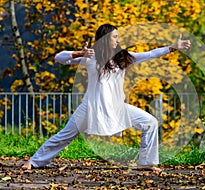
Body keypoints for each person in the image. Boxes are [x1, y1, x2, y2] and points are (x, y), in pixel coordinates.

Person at [22, 24, 191, 172]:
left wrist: (172, 47)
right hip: (91, 108)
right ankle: (34, 161)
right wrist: (79, 53)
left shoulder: (123, 57)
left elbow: (149, 54)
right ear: (104, 38)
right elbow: (59, 58)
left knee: (150, 122)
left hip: (117, 108)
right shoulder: (91, 57)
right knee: (65, 135)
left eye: (117, 37)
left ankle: (146, 163)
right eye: (114, 37)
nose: (117, 40)